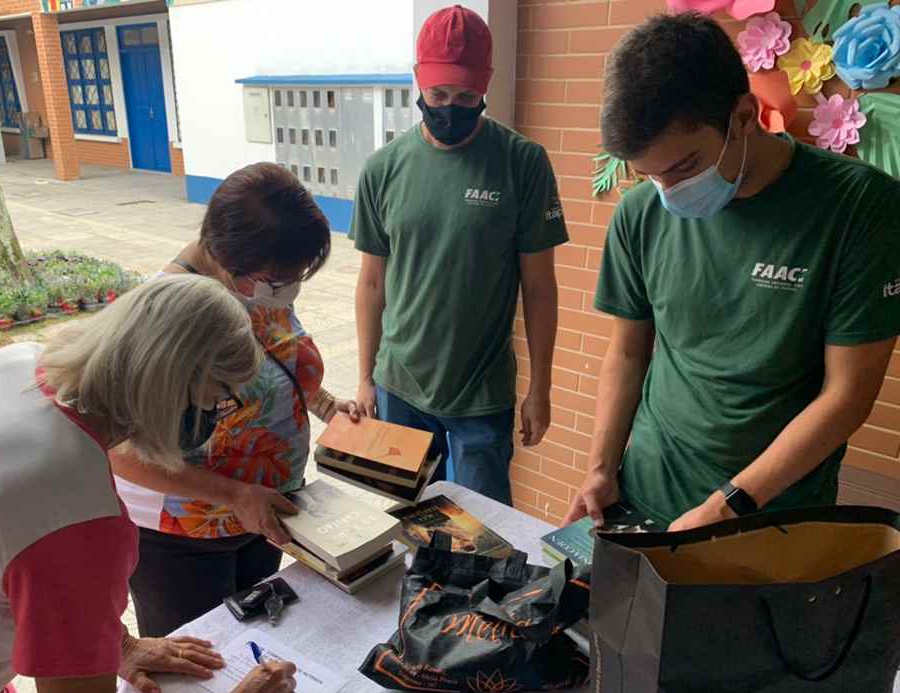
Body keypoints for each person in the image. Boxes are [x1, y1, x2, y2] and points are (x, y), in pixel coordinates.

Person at [0, 276, 297, 693]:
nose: (216, 417)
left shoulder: (18, 363)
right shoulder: (76, 515)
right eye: (219, 398)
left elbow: (7, 549)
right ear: (172, 381)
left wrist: (115, 644)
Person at [564, 14, 900, 533]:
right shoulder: (640, 214)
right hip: (644, 495)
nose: (667, 191)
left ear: (744, 116)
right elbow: (628, 351)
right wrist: (600, 470)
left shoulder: (859, 207)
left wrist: (726, 507)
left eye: (682, 167)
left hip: (770, 515)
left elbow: (847, 395)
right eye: (648, 175)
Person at [111, 162, 359, 638]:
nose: (287, 287)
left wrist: (326, 405)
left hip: (263, 514)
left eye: (298, 274)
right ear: (226, 256)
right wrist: (234, 493)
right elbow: (116, 449)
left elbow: (275, 360)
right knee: (201, 665)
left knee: (260, 642)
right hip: (184, 535)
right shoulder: (163, 315)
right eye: (278, 278)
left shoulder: (258, 284)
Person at [351, 4, 568, 506]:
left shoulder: (522, 163)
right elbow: (371, 283)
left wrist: (541, 387)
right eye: (439, 95)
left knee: (482, 535)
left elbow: (539, 287)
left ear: (485, 87)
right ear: (418, 83)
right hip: (399, 383)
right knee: (407, 519)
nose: (451, 107)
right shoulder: (383, 168)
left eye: (467, 97)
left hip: (480, 391)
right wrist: (365, 378)